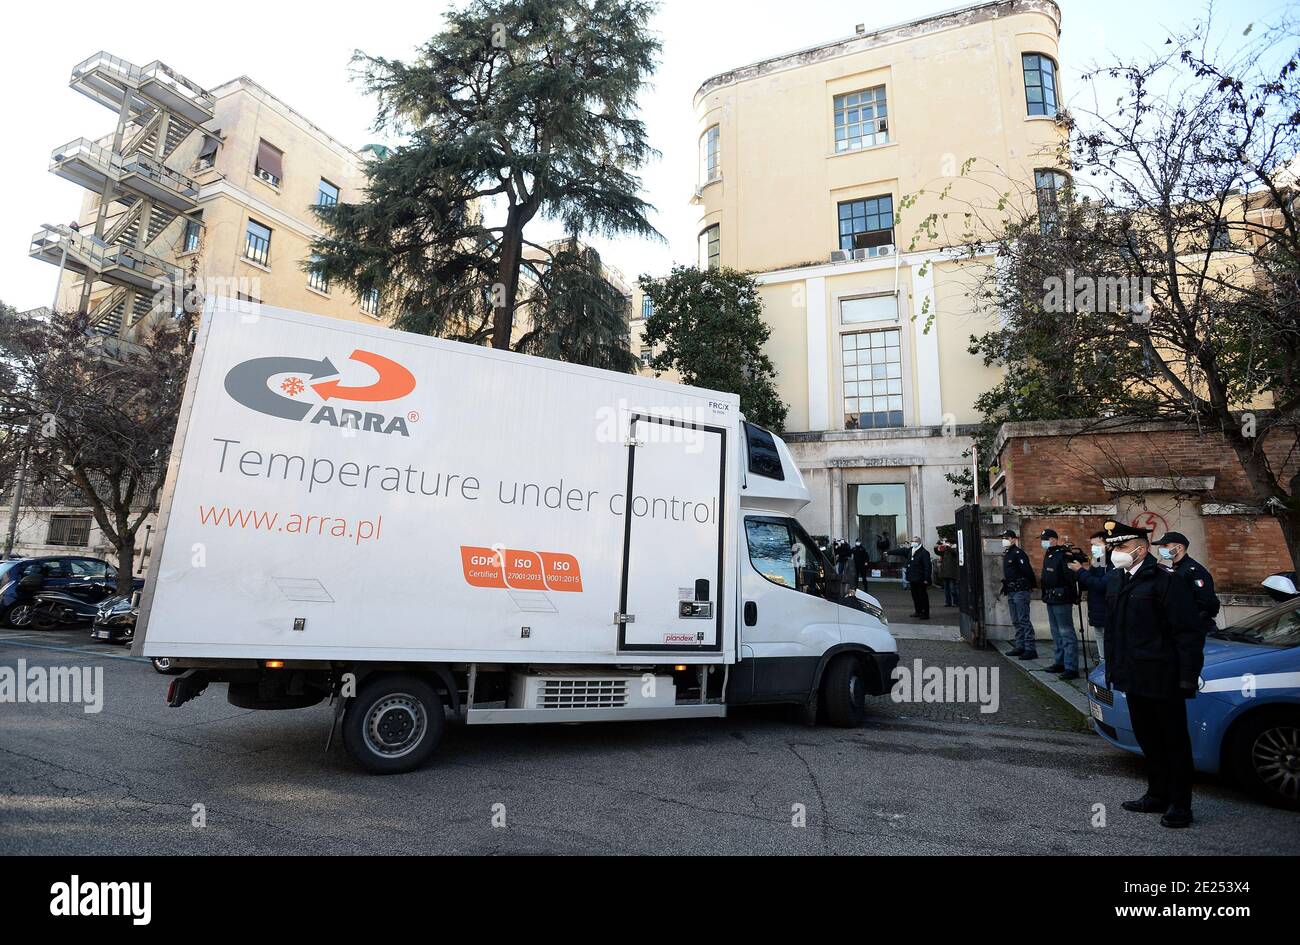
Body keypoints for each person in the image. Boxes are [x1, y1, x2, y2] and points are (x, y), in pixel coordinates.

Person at [1101, 520, 1205, 829]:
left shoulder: (1166, 581)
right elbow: (1115, 632)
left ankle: (1180, 804)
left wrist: (1187, 677)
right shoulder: (1117, 579)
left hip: (1163, 676)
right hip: (1132, 677)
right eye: (1113, 548)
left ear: (1141, 549)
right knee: (1148, 740)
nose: (1114, 553)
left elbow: (1187, 632)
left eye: (1119, 547)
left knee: (1174, 742)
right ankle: (1156, 794)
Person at [1152, 532, 1220, 635]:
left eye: (1165, 545)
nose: (1161, 549)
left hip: (1198, 629)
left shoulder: (1193, 571)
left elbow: (1208, 603)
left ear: (1179, 548)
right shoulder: (1176, 569)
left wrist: (1190, 619)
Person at [1038, 528, 1081, 680]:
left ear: (1054, 539)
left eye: (1046, 539)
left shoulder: (1063, 555)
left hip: (1062, 597)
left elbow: (1070, 577)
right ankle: (1060, 662)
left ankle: (1071, 666)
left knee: (1066, 632)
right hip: (1051, 597)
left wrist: (1073, 596)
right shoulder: (1049, 554)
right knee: (1056, 632)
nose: (1043, 542)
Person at [1069, 530, 1111, 665]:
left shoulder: (1112, 562)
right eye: (1092, 545)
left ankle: (1108, 664)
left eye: (1097, 545)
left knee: (1108, 638)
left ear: (1108, 545)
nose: (1093, 548)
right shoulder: (1098, 561)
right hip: (1096, 607)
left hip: (1107, 608)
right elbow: (1089, 582)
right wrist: (1077, 573)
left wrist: (1081, 571)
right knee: (1099, 635)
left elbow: (1100, 584)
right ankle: (1102, 661)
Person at [998, 530, 1038, 659]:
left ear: (1014, 539)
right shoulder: (1008, 553)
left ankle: (1030, 649)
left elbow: (1027, 571)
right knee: (1016, 620)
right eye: (1003, 538)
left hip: (1020, 590)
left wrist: (1031, 585)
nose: (1004, 540)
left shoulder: (1018, 553)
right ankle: (1020, 646)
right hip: (1011, 590)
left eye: (1007, 537)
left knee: (1023, 620)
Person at [887, 536, 932, 619]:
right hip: (912, 578)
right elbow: (900, 551)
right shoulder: (910, 550)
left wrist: (926, 579)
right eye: (912, 541)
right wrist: (889, 552)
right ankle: (918, 611)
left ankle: (925, 614)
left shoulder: (924, 552)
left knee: (923, 596)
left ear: (919, 542)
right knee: (915, 596)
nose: (913, 542)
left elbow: (927, 567)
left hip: (921, 579)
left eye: (914, 541)